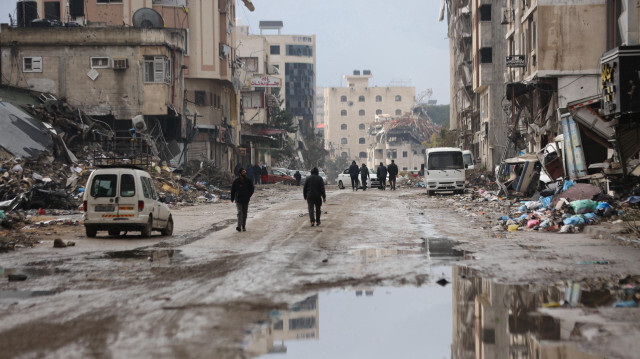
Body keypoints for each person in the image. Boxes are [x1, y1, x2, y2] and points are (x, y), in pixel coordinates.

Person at [230, 168, 254, 232]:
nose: (244, 173)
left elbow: (252, 189)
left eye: (245, 172)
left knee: (244, 213)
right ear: (240, 173)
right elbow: (233, 190)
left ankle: (243, 226)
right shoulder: (236, 181)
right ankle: (239, 226)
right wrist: (232, 198)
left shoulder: (248, 181)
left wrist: (248, 195)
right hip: (238, 199)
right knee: (239, 212)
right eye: (243, 172)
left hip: (246, 199)